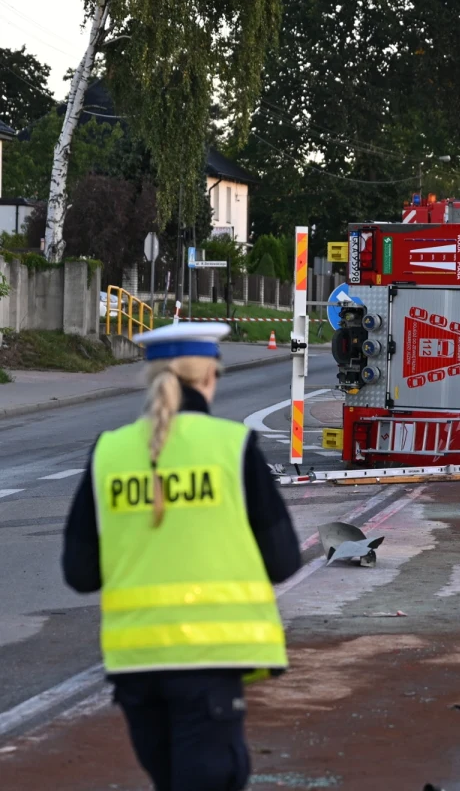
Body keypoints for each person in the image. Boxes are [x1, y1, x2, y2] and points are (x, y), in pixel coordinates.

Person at [61, 323, 302, 791]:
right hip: (210, 664)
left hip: (137, 670)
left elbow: (80, 573)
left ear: (149, 379)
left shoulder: (108, 453)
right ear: (211, 375)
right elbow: (284, 560)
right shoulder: (232, 448)